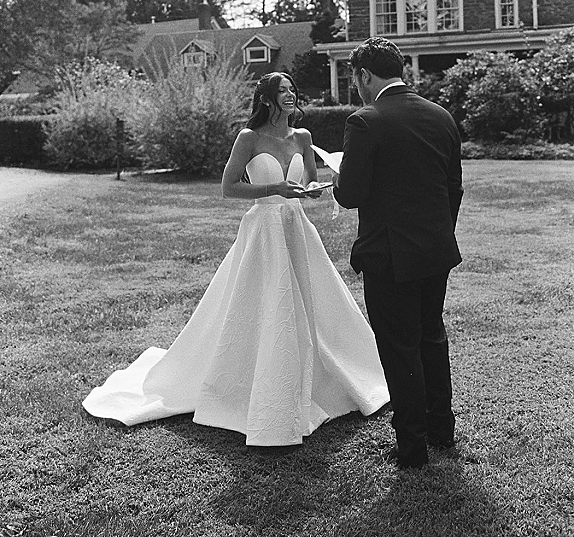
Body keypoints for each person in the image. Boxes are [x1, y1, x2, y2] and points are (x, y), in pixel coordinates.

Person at [83, 71, 389, 446]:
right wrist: (272, 188)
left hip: (296, 227)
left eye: (293, 90)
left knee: (310, 302)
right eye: (282, 91)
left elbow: (308, 181)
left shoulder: (303, 138)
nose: (290, 96)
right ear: (266, 99)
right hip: (263, 229)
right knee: (265, 302)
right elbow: (229, 188)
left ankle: (321, 377)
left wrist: (313, 188)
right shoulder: (249, 138)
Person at [332, 38, 463, 469]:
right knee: (431, 336)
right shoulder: (441, 116)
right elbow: (453, 189)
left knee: (398, 347)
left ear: (364, 75)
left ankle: (412, 448)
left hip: (389, 255)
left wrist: (339, 175)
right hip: (436, 250)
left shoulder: (365, 121)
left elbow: (349, 194)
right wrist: (439, 234)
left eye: (356, 79)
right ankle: (441, 429)